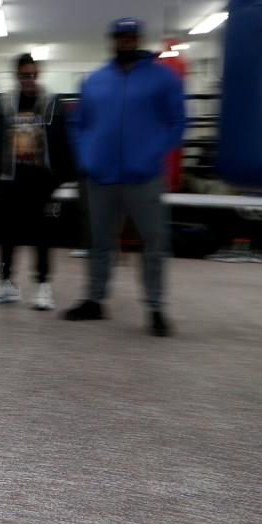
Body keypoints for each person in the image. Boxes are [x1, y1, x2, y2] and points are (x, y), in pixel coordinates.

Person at [62, 18, 185, 336]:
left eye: (131, 37)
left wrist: (151, 152)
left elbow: (179, 122)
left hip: (143, 177)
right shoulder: (95, 80)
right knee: (99, 243)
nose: (126, 42)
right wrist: (86, 157)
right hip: (100, 177)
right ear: (113, 40)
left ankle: (156, 308)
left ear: (138, 39)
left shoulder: (163, 78)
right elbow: (78, 124)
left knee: (154, 243)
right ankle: (95, 300)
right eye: (120, 37)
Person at [0, 53, 61, 310]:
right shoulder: (3, 104)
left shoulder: (51, 103)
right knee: (6, 234)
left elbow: (60, 140)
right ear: (17, 75)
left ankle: (44, 287)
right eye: (25, 74)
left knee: (42, 235)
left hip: (39, 180)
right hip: (8, 180)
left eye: (33, 74)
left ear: (38, 75)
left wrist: (58, 178)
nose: (29, 79)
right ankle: (7, 285)